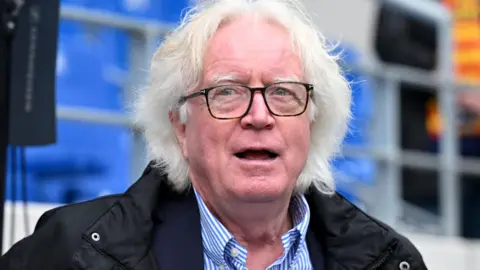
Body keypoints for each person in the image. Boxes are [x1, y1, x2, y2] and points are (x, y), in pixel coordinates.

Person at [0, 0, 427, 269]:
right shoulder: (71, 253)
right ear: (180, 125)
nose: (259, 116)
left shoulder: (390, 260)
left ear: (313, 123)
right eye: (227, 92)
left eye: (283, 92)